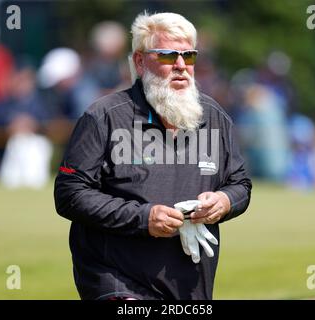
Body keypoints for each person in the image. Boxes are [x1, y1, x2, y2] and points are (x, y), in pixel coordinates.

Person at [54, 12, 252, 300]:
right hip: (116, 280)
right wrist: (144, 218)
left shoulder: (215, 117)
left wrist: (224, 201)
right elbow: (69, 194)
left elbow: (240, 184)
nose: (182, 66)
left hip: (189, 284)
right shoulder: (103, 117)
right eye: (168, 56)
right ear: (139, 61)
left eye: (190, 56)